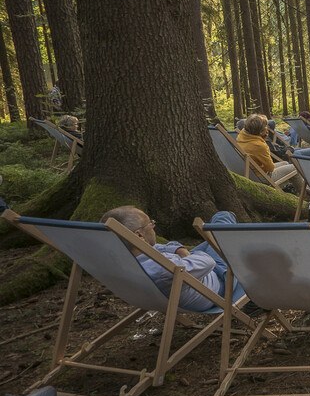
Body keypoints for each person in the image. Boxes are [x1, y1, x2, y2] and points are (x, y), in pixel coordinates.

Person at [101, 206, 234, 312]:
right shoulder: (162, 267)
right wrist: (187, 255)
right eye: (150, 224)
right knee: (223, 217)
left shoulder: (123, 259)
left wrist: (179, 250)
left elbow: (158, 247)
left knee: (214, 236)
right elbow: (208, 262)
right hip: (219, 279)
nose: (154, 226)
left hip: (189, 272)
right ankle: (250, 290)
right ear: (139, 235)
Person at [236, 114, 297, 184]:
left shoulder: (241, 136)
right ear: (261, 131)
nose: (267, 128)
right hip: (261, 177)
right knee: (294, 168)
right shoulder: (259, 145)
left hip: (249, 173)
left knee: (285, 163)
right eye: (265, 126)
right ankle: (305, 193)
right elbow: (270, 168)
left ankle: (289, 188)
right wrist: (263, 142)